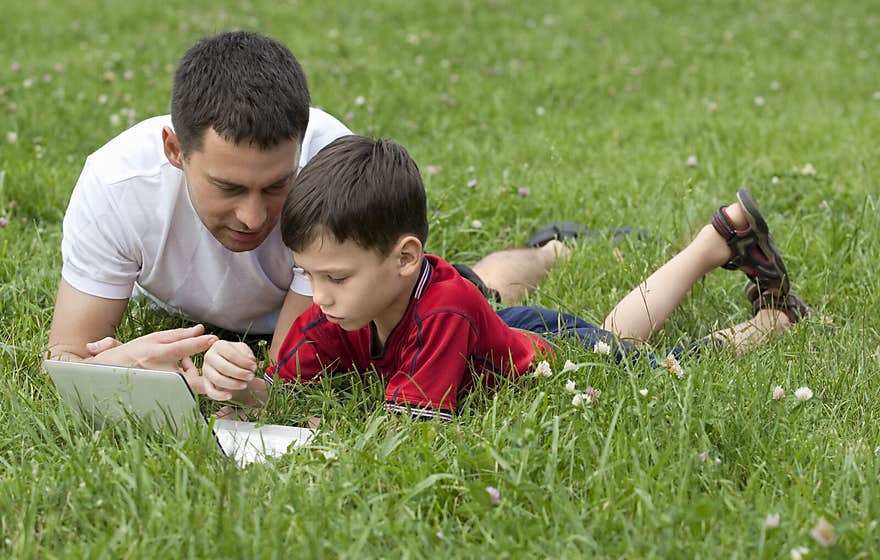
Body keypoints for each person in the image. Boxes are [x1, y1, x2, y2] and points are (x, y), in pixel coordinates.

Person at [45, 31, 568, 390]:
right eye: (228, 187)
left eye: (276, 186)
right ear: (175, 151)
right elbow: (66, 357)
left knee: (479, 292)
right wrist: (128, 365)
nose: (253, 217)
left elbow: (286, 367)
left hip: (344, 309)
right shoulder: (116, 185)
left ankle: (549, 251)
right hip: (208, 310)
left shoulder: (328, 164)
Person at [199, 135, 809, 418]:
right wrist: (241, 385)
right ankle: (707, 244)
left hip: (548, 350)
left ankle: (765, 312)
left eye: (332, 277)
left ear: (404, 258)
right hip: (496, 322)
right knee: (615, 336)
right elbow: (289, 390)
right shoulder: (342, 306)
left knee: (658, 363)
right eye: (308, 276)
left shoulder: (442, 310)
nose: (317, 296)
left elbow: (409, 427)